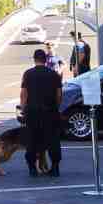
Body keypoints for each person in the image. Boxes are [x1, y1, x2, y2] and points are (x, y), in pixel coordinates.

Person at [19, 48, 63, 177]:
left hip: (32, 112)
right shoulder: (54, 74)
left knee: (32, 140)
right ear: (45, 60)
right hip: (50, 112)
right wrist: (56, 107)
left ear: (34, 59)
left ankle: (32, 168)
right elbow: (59, 95)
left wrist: (23, 109)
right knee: (53, 140)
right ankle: (55, 168)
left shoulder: (28, 74)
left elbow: (23, 94)